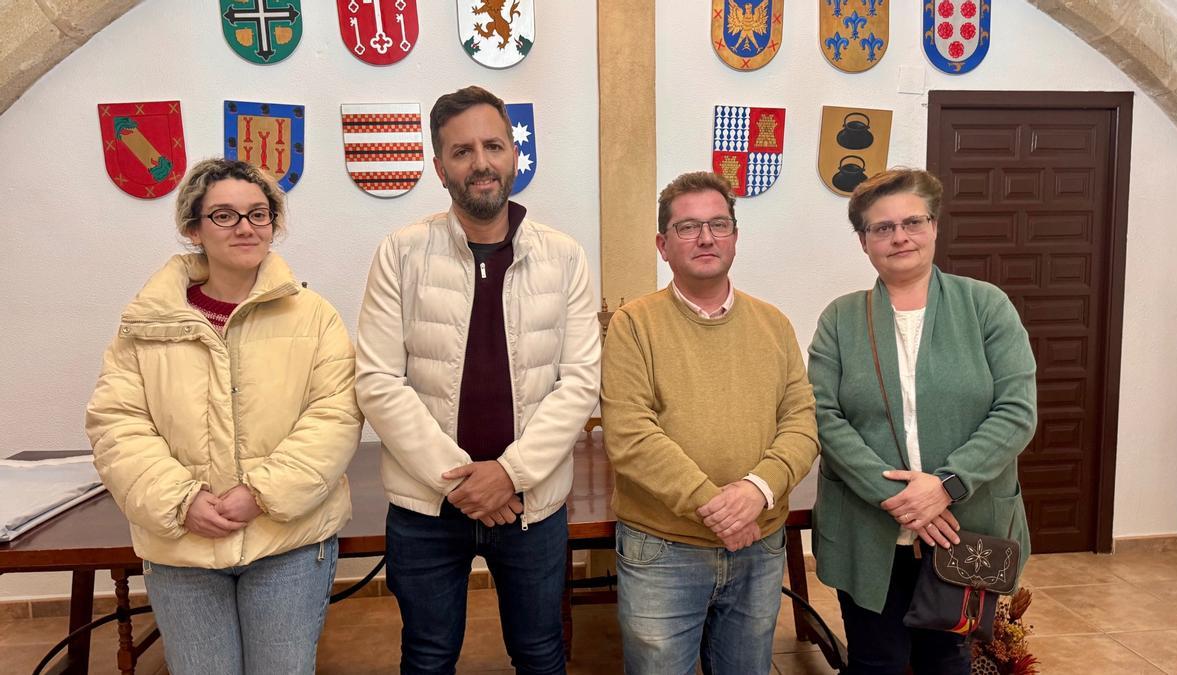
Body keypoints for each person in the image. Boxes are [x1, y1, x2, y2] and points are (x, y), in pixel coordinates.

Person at [355, 85, 601, 675]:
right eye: (462, 151)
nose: (481, 162)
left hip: (530, 500)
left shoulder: (563, 256)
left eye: (493, 145)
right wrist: (462, 483)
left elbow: (580, 382)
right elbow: (378, 380)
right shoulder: (401, 253)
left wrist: (509, 474)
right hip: (428, 503)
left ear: (516, 155)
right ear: (440, 169)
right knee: (428, 655)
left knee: (541, 653)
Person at [85, 158, 362, 674]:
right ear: (193, 228)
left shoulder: (315, 315)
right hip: (182, 545)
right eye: (224, 216)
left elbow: (336, 414)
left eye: (259, 214)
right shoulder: (147, 320)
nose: (245, 228)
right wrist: (181, 500)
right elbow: (117, 422)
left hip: (288, 539)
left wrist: (260, 493)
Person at [808, 167, 1037, 674]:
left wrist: (946, 486)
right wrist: (899, 497)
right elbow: (823, 415)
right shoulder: (841, 319)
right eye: (881, 227)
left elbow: (1017, 411)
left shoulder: (985, 306)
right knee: (876, 661)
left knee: (948, 657)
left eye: (913, 221)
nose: (900, 236)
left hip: (965, 524)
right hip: (868, 526)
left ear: (934, 226)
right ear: (863, 241)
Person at [600, 171, 820, 674]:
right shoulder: (634, 325)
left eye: (719, 224)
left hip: (759, 545)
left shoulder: (774, 324)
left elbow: (801, 422)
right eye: (688, 227)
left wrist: (755, 492)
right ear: (663, 245)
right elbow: (631, 436)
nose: (705, 237)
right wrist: (718, 506)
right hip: (663, 550)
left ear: (735, 238)